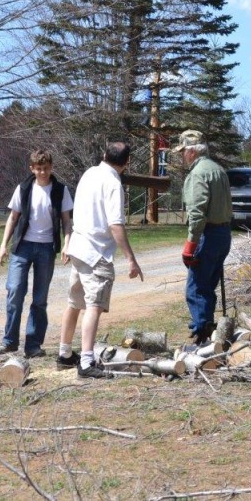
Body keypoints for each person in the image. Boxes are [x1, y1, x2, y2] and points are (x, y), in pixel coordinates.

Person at [58, 142, 144, 378]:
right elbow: (115, 225)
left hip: (78, 246)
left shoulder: (89, 173)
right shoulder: (114, 183)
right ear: (126, 164)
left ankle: (64, 354)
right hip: (96, 253)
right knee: (93, 306)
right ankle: (86, 363)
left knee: (74, 302)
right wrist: (131, 259)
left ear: (104, 155)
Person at [0, 150, 74, 358]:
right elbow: (13, 218)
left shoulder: (60, 190)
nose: (43, 172)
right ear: (32, 168)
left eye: (46, 168)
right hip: (22, 247)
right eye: (38, 169)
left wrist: (67, 244)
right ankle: (9, 341)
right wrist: (3, 245)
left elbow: (66, 221)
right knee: (14, 292)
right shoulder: (23, 188)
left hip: (46, 248)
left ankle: (33, 345)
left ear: (51, 167)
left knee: (39, 299)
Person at [174, 130, 232, 344]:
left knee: (196, 287)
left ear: (191, 151)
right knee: (208, 284)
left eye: (183, 152)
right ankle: (207, 328)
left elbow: (197, 213)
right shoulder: (218, 169)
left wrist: (190, 244)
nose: (182, 156)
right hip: (224, 234)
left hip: (207, 234)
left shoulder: (198, 174)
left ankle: (202, 332)